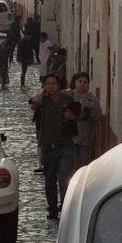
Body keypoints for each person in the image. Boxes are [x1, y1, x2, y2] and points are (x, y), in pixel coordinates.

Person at [30, 73, 76, 219]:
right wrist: (42, 92)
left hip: (65, 143)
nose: (50, 86)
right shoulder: (42, 100)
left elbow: (77, 113)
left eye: (53, 83)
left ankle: (65, 205)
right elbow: (33, 104)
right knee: (50, 178)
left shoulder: (66, 99)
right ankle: (52, 208)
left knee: (64, 176)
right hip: (48, 144)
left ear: (58, 84)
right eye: (47, 84)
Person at [67, 72, 104, 168]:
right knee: (70, 164)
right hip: (69, 136)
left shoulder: (91, 98)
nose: (82, 84)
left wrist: (92, 108)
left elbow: (98, 118)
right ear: (75, 82)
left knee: (83, 165)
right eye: (79, 81)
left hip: (85, 137)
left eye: (85, 82)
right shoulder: (69, 96)